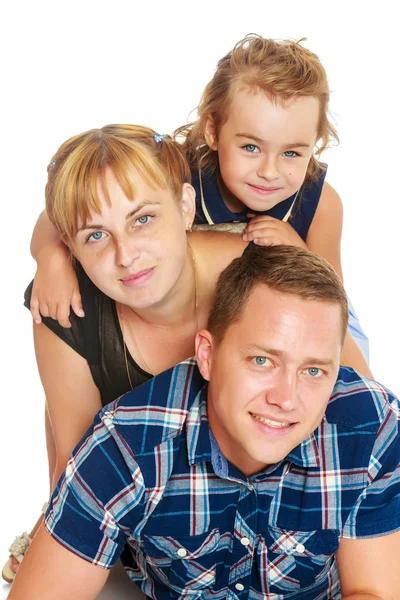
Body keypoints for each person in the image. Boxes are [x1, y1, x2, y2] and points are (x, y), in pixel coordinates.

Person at [9, 244, 400, 600]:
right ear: (207, 355)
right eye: (262, 361)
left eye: (314, 371)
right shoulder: (128, 445)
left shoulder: (371, 429)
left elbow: (373, 592)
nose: (286, 398)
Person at [27, 35, 370, 376]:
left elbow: (331, 299)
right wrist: (52, 259)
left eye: (292, 153)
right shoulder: (185, 172)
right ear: (213, 131)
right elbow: (62, 211)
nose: (269, 171)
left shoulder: (321, 202)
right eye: (251, 147)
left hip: (306, 314)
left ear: (316, 145)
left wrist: (298, 253)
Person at [1, 124, 248, 583]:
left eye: (143, 219)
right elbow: (78, 460)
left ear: (185, 206)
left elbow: (357, 400)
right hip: (149, 494)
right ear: (70, 247)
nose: (126, 255)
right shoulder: (66, 308)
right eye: (96, 236)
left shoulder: (252, 271)